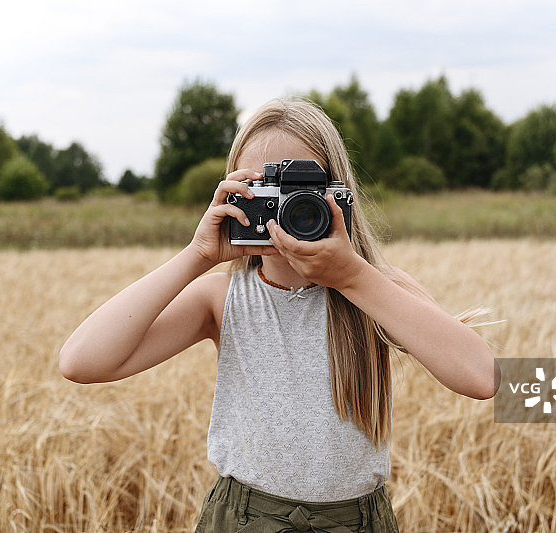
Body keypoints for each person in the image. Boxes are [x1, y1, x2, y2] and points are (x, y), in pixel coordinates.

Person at [59, 98, 500, 532]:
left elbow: (482, 378)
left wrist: (352, 277)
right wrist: (198, 255)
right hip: (244, 519)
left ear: (337, 195)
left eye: (302, 194)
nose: (286, 211)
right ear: (235, 195)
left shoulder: (374, 288)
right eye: (264, 191)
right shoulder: (220, 297)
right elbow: (82, 362)